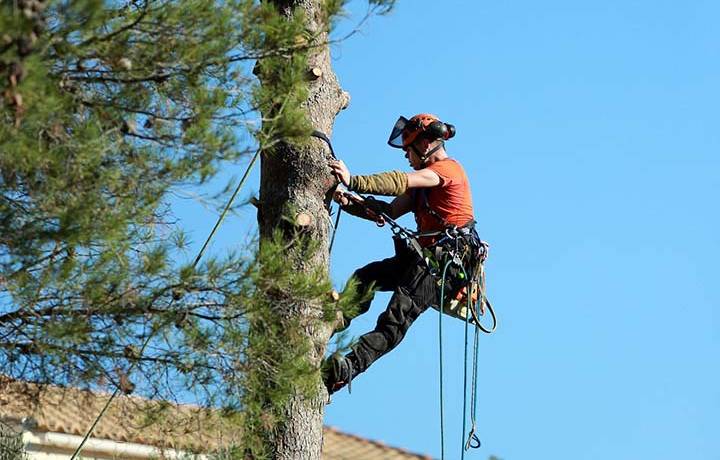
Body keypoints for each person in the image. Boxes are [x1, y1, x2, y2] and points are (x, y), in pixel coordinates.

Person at [324, 113, 483, 394]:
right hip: (425, 259)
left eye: (408, 149)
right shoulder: (423, 189)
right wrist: (350, 202)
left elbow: (400, 181)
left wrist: (354, 181)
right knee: (368, 276)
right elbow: (387, 211)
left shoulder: (447, 171)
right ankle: (336, 317)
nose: (406, 155)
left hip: (445, 265)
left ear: (425, 145)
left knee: (396, 317)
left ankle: (348, 369)